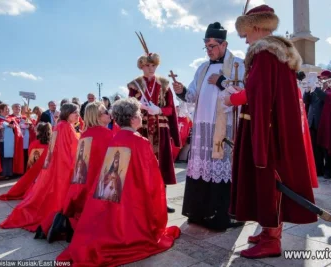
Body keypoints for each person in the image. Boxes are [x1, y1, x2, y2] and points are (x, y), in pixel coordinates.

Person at [223, 4, 318, 258]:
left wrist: (233, 99)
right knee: (265, 183)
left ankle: (272, 240)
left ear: (255, 27)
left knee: (268, 182)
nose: (244, 39)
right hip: (270, 127)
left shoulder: (265, 55)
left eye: (245, 33)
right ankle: (267, 230)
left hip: (264, 130)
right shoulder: (277, 54)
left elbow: (259, 95)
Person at [56, 98, 180, 266]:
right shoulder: (139, 141)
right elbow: (151, 179)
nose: (141, 117)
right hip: (132, 200)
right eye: (139, 114)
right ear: (133, 118)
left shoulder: (115, 138)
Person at [173, 22, 245, 230]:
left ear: (224, 45)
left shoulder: (238, 64)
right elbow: (192, 96)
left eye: (212, 46)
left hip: (225, 128)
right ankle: (199, 212)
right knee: (202, 168)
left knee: (222, 169)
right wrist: (181, 90)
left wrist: (222, 81)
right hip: (203, 129)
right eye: (206, 47)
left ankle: (223, 215)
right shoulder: (202, 68)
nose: (209, 51)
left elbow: (244, 92)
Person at [0, 103, 80, 231]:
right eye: (75, 112)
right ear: (67, 113)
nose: (78, 115)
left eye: (78, 112)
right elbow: (70, 150)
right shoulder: (66, 127)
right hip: (64, 167)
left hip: (57, 166)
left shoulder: (60, 125)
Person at [44, 102, 114, 242]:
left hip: (81, 181)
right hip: (96, 183)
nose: (109, 113)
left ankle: (64, 224)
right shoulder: (106, 134)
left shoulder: (85, 133)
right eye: (105, 111)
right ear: (98, 115)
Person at [127, 32, 181, 213]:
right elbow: (129, 108)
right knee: (142, 166)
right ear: (142, 66)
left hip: (161, 130)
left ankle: (161, 201)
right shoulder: (135, 85)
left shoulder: (164, 84)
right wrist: (139, 106)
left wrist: (159, 110)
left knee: (161, 167)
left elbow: (171, 110)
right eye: (148, 65)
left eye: (154, 65)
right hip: (142, 130)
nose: (151, 68)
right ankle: (142, 202)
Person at [0, 122, 52, 201]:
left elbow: (32, 164)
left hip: (37, 176)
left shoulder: (35, 144)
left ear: (38, 131)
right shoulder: (51, 144)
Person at [0, 104, 24, 180]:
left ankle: (8, 173)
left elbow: (18, 130)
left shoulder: (11, 119)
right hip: (0, 142)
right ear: (1, 110)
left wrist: (14, 127)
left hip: (10, 142)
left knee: (9, 157)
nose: (8, 110)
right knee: (2, 157)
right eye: (7, 109)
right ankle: (0, 174)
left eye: (9, 109)